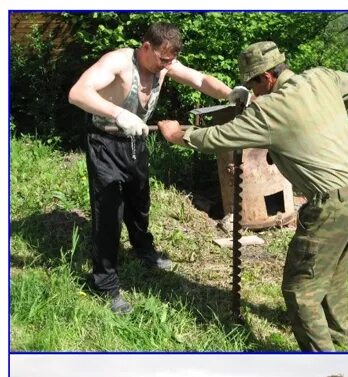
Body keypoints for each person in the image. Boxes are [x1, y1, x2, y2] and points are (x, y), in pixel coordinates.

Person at [160, 41, 348, 351]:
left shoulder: (270, 110)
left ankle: (323, 364)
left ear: (266, 78)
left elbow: (219, 137)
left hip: (331, 207)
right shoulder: (322, 78)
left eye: (253, 85)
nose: (253, 93)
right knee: (332, 274)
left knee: (300, 290)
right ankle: (338, 339)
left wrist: (179, 134)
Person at [69, 22, 242, 314]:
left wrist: (229, 94)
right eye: (163, 59)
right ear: (146, 46)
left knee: (140, 201)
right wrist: (118, 113)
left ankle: (143, 249)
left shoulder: (165, 65)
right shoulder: (118, 62)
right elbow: (77, 93)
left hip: (135, 141)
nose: (167, 65)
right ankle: (105, 283)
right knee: (109, 211)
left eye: (171, 60)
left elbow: (200, 80)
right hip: (105, 141)